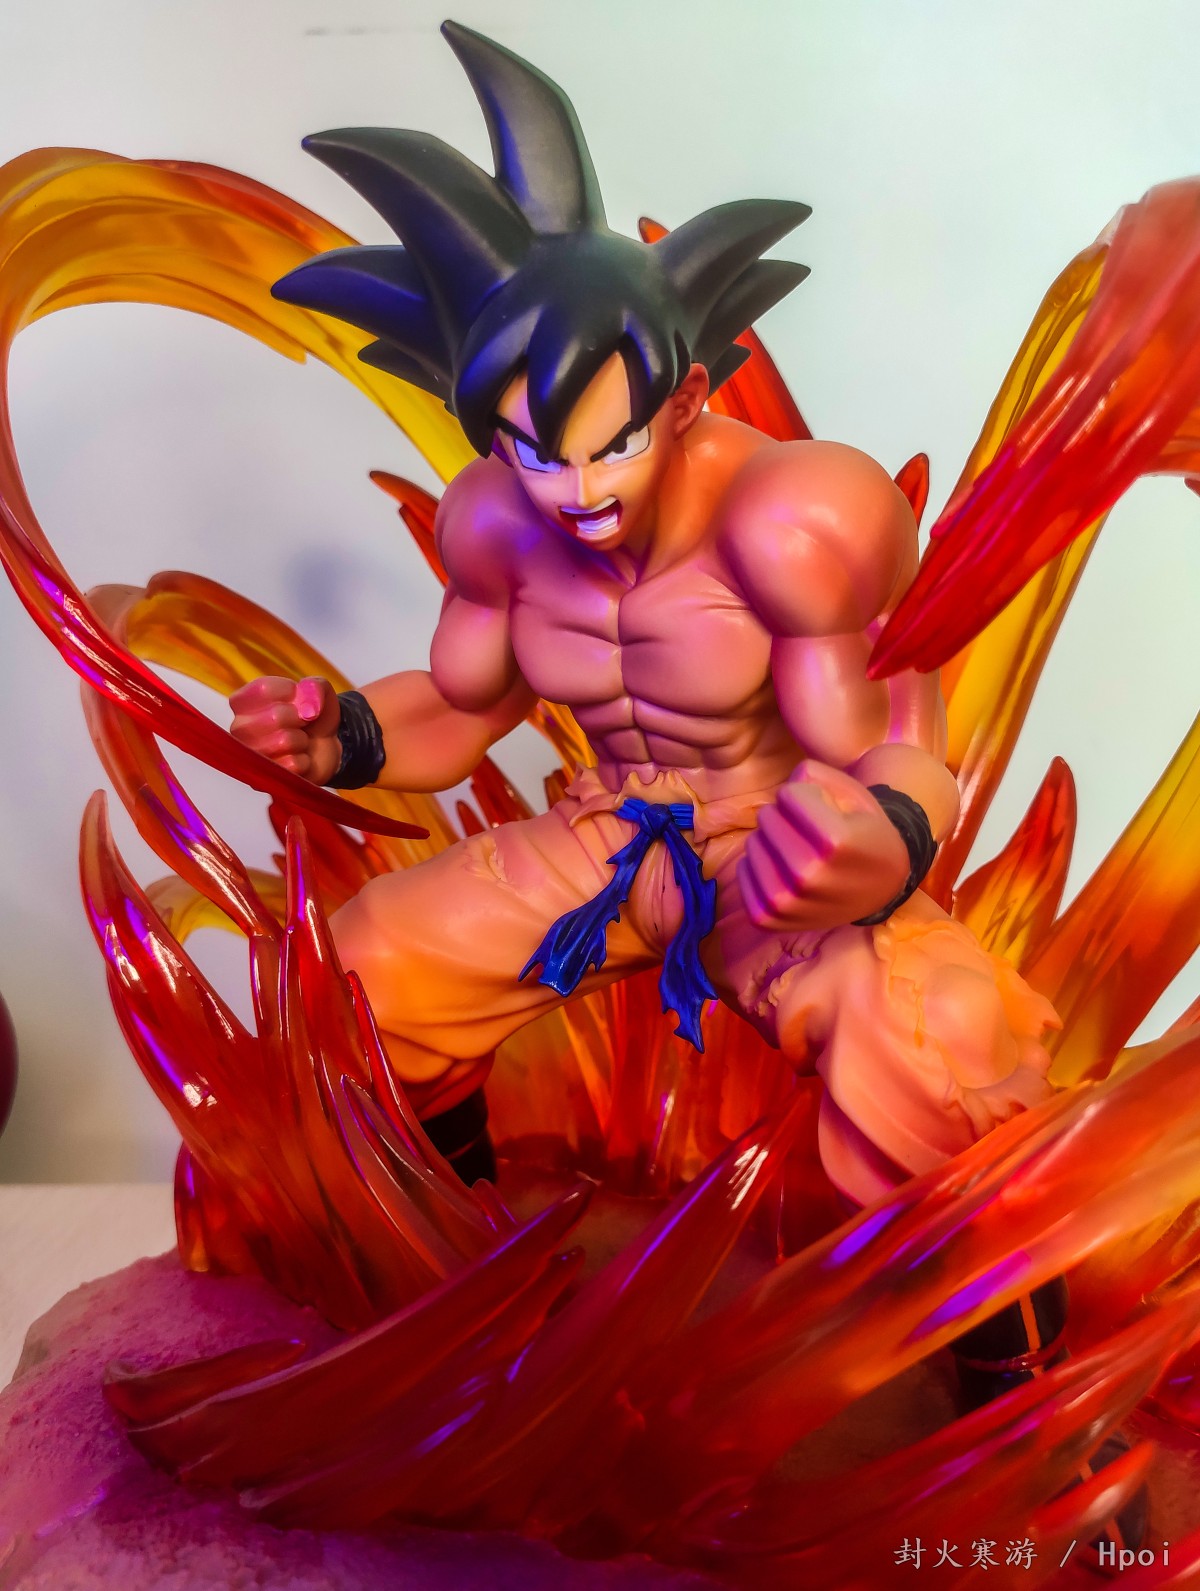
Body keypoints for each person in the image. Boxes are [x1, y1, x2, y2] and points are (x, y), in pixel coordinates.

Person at [230, 20, 1058, 1216]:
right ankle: (454, 1254)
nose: (576, 491)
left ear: (687, 398)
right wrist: (345, 735)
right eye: (535, 452)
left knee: (948, 1032)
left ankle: (983, 1327)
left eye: (610, 444)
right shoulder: (496, 525)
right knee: (368, 968)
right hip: (606, 834)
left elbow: (896, 731)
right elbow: (459, 709)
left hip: (769, 850)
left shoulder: (789, 518)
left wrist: (881, 838)